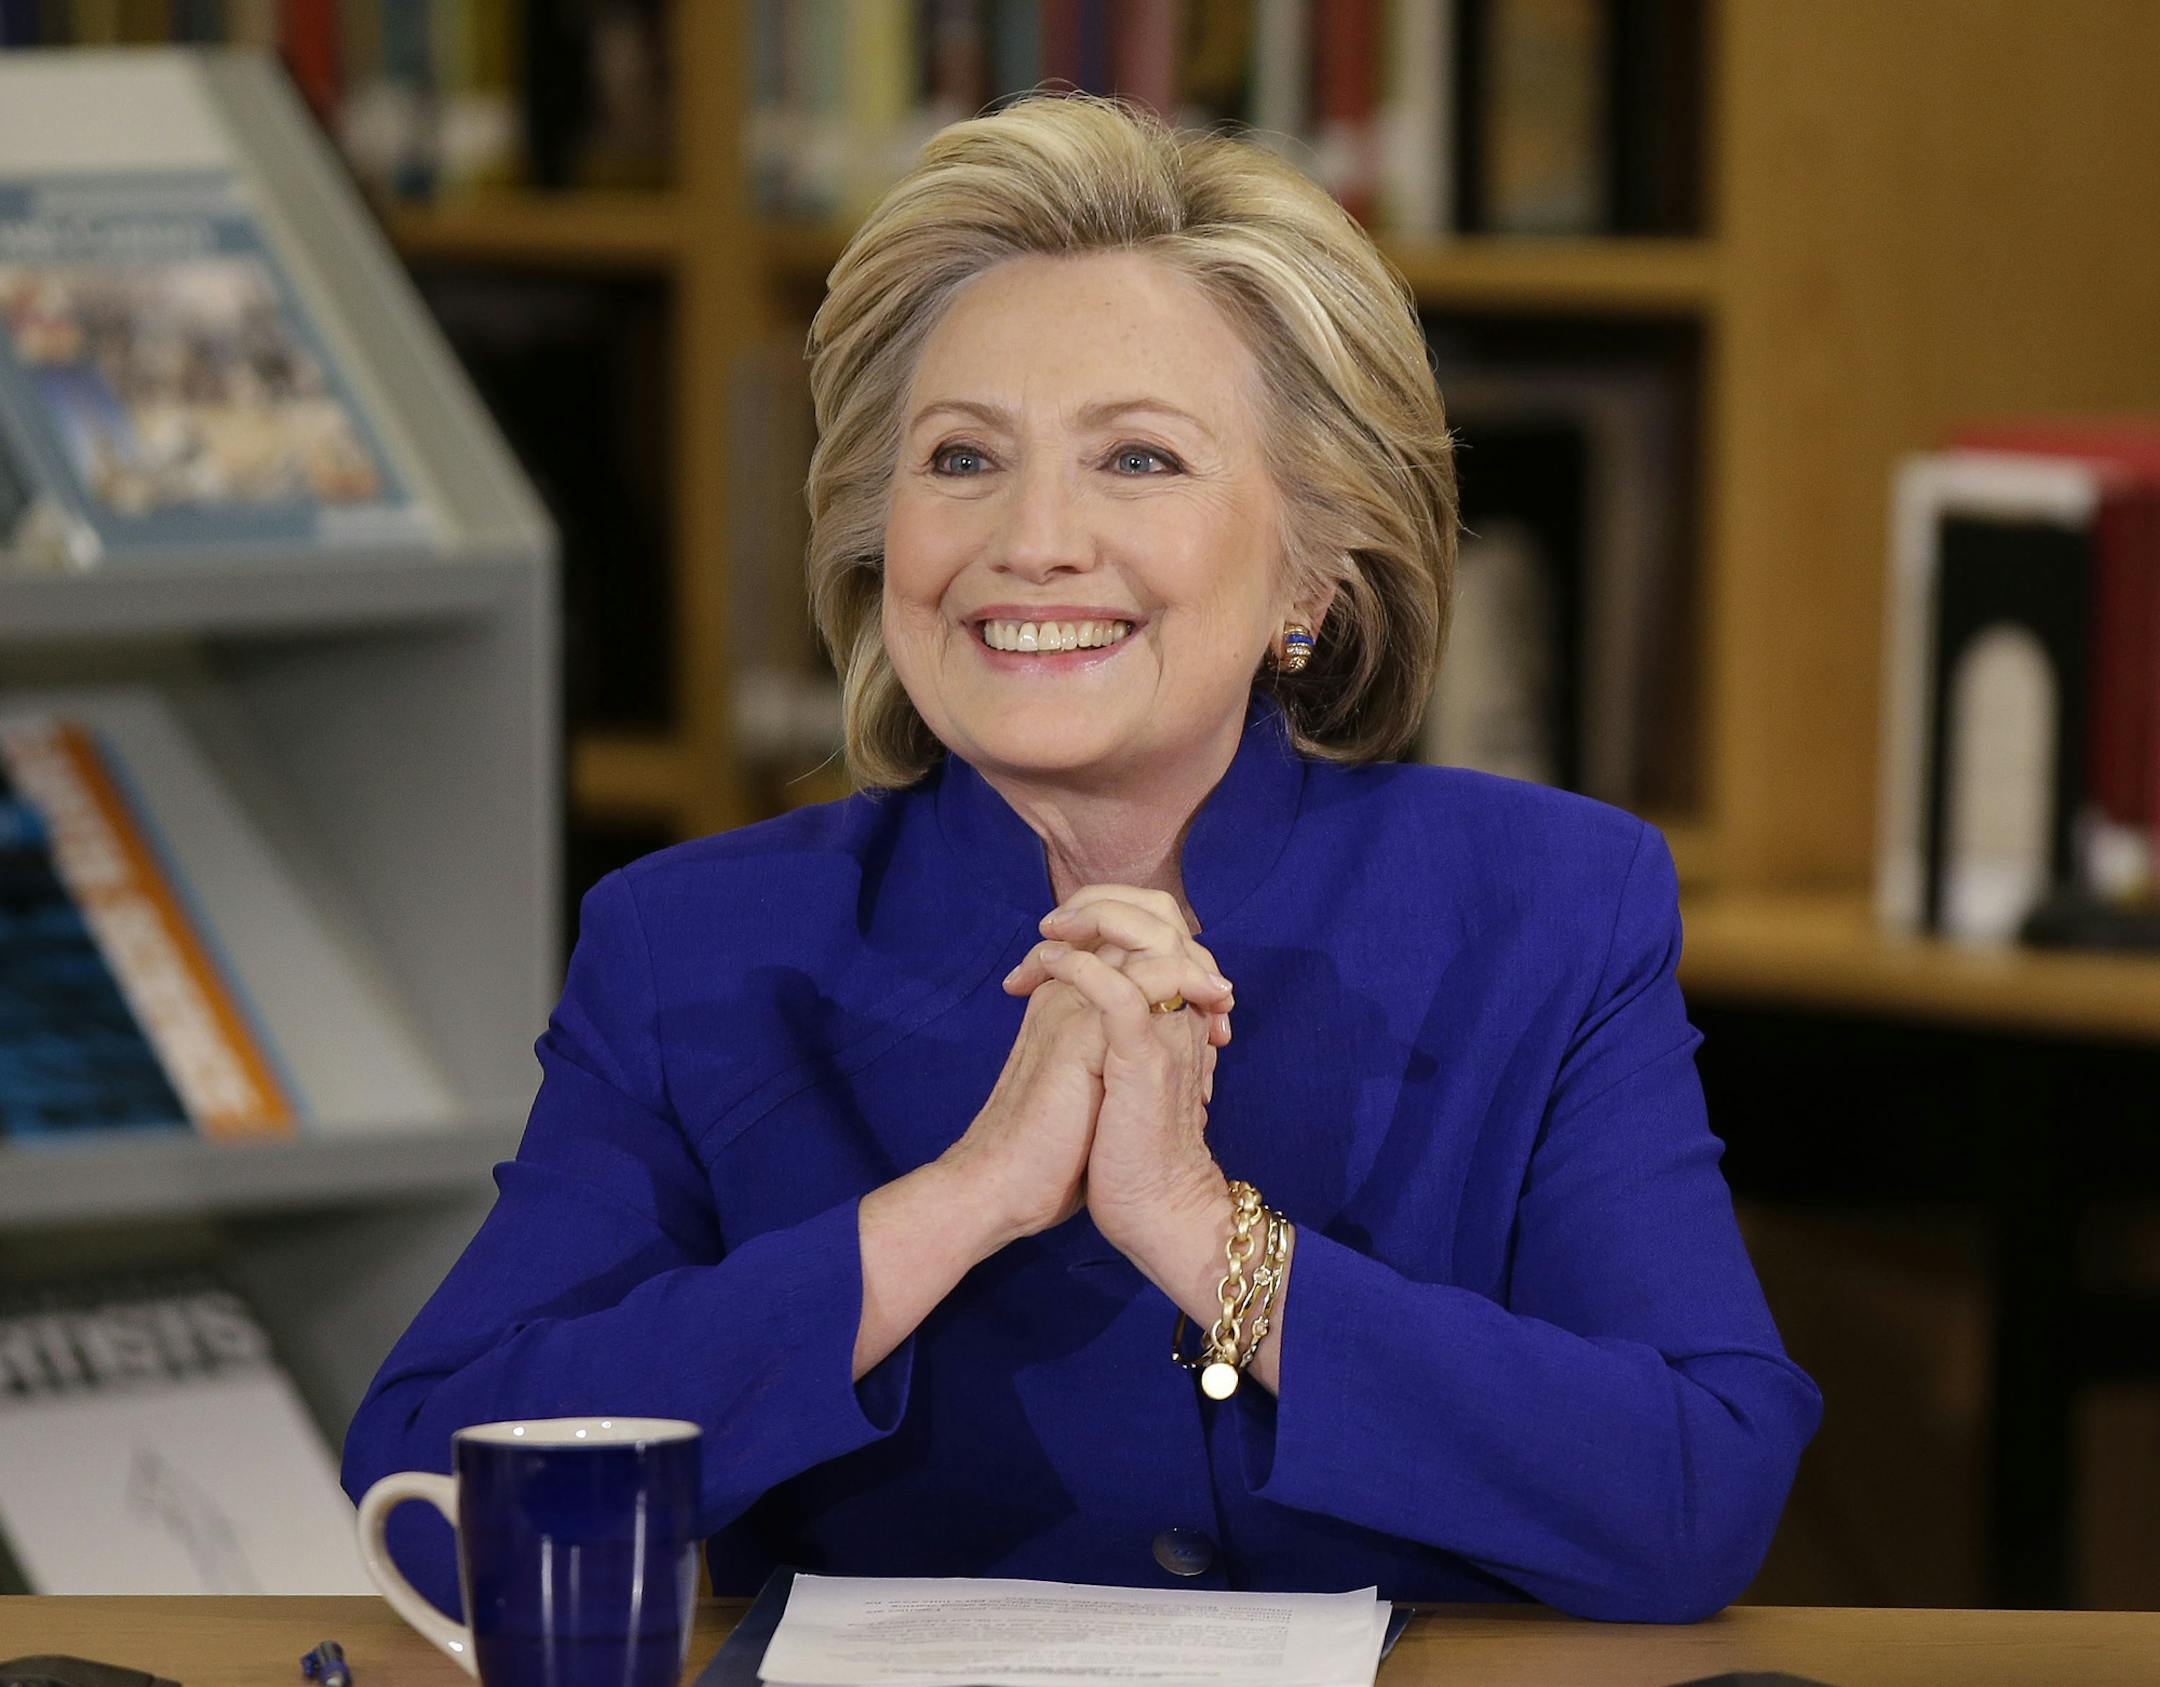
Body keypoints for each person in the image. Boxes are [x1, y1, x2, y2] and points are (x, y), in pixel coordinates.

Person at [342, 91, 1820, 1624]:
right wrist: (958, 1202)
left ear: (1313, 566)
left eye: (1139, 462)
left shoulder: (1549, 911)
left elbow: (1699, 1496)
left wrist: (1204, 1234)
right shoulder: (695, 946)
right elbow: (427, 1496)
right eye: (963, 460)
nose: (1032, 540)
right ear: (879, 534)